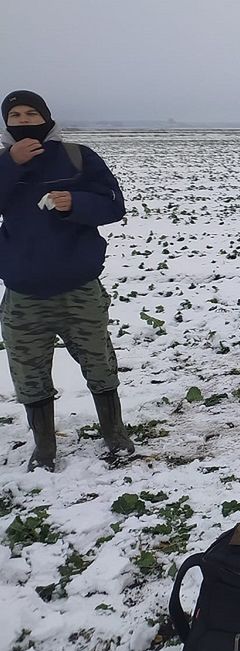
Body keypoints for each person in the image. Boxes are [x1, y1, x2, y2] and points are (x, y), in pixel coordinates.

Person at [0, 90, 134, 471]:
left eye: (31, 113)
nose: (23, 120)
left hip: (79, 288)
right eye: (15, 114)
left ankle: (114, 434)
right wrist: (11, 165)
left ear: (45, 116)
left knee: (100, 364)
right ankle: (44, 448)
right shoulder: (2, 161)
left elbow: (113, 204)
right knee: (28, 373)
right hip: (23, 292)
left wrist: (75, 204)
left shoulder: (77, 157)